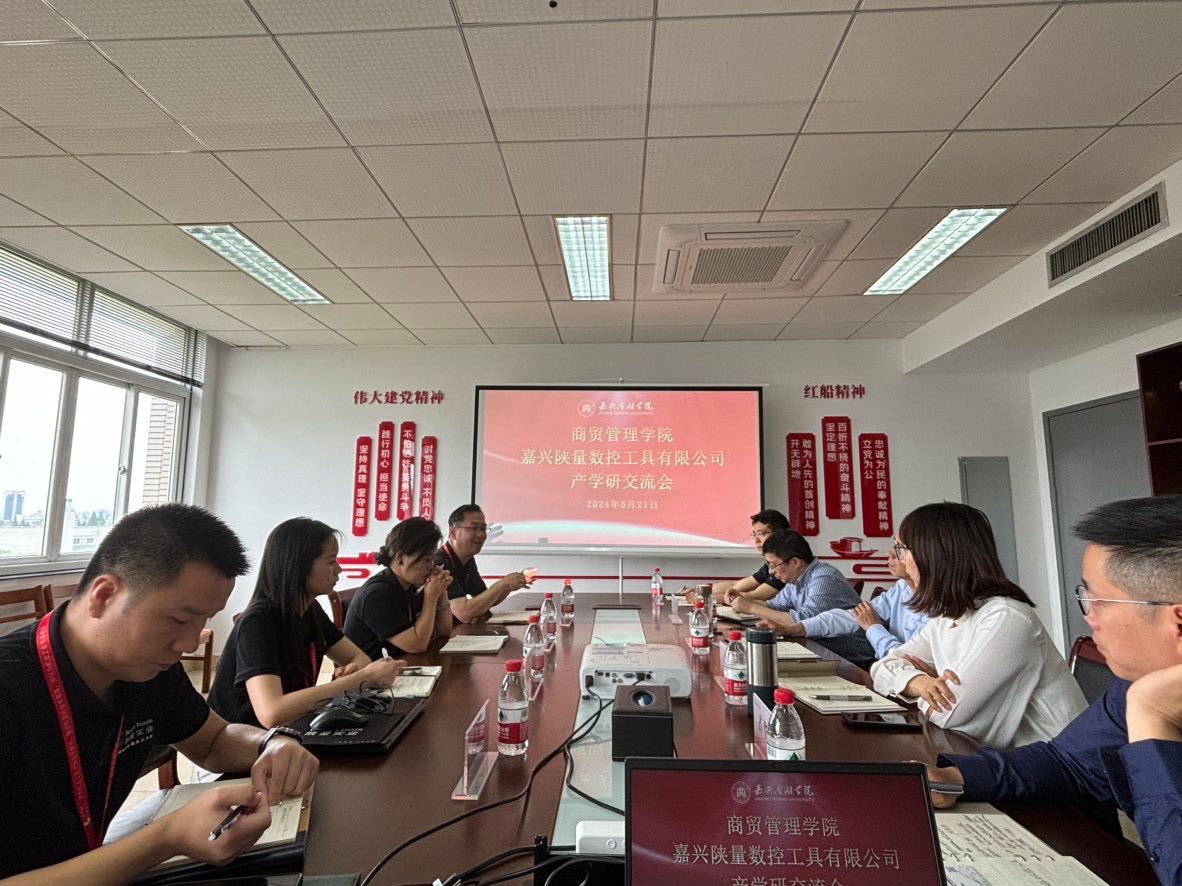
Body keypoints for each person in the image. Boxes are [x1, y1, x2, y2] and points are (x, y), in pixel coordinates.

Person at [0, 504, 320, 883]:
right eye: (179, 620)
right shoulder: (12, 687)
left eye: (203, 620)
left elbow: (212, 740)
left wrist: (270, 743)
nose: (189, 644)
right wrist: (166, 838)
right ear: (104, 596)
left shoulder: (149, 670)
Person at [926, 495, 1182, 883]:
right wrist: (956, 779)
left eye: (1096, 600)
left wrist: (1152, 716)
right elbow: (1069, 763)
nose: (1089, 619)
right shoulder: (1135, 688)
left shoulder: (1146, 698)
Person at [871, 502, 1086, 749]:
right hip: (999, 760)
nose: (898, 559)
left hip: (1058, 766)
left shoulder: (1007, 619)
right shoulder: (946, 617)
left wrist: (918, 686)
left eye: (901, 549)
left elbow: (946, 716)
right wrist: (922, 683)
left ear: (935, 555)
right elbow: (881, 669)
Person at [207, 518, 404, 730]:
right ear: (298, 566)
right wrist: (357, 680)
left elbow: (359, 658)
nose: (339, 569)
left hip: (285, 730)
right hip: (240, 739)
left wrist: (353, 674)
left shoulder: (310, 609)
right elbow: (272, 713)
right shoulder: (258, 622)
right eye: (331, 561)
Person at [753, 542, 927, 660]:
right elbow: (851, 616)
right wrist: (792, 629)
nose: (890, 553)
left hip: (864, 664)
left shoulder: (823, 577)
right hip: (888, 674)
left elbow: (904, 662)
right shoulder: (901, 588)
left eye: (900, 547)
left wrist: (873, 627)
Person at [730, 529, 875, 667]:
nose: (771, 572)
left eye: (774, 565)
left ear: (795, 562)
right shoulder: (796, 579)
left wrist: (751, 607)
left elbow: (801, 622)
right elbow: (774, 605)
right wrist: (743, 601)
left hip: (853, 663)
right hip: (824, 653)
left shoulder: (823, 578)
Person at [345, 516, 455, 657]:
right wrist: (431, 597)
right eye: (426, 559)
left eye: (433, 559)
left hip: (399, 663)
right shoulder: (377, 594)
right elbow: (417, 645)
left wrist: (441, 592)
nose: (431, 567)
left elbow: (444, 631)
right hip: (369, 669)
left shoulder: (407, 585)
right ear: (400, 558)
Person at [434, 504, 536, 623]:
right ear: (453, 533)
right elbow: (464, 613)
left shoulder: (467, 559)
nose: (481, 534)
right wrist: (503, 583)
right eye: (474, 528)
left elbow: (485, 599)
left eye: (483, 529)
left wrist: (510, 585)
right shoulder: (441, 564)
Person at [687, 508, 789, 602]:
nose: (756, 540)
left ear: (778, 534)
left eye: (760, 534)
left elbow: (755, 595)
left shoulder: (784, 565)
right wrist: (699, 590)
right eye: (754, 534)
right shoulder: (769, 565)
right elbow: (735, 585)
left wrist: (704, 598)